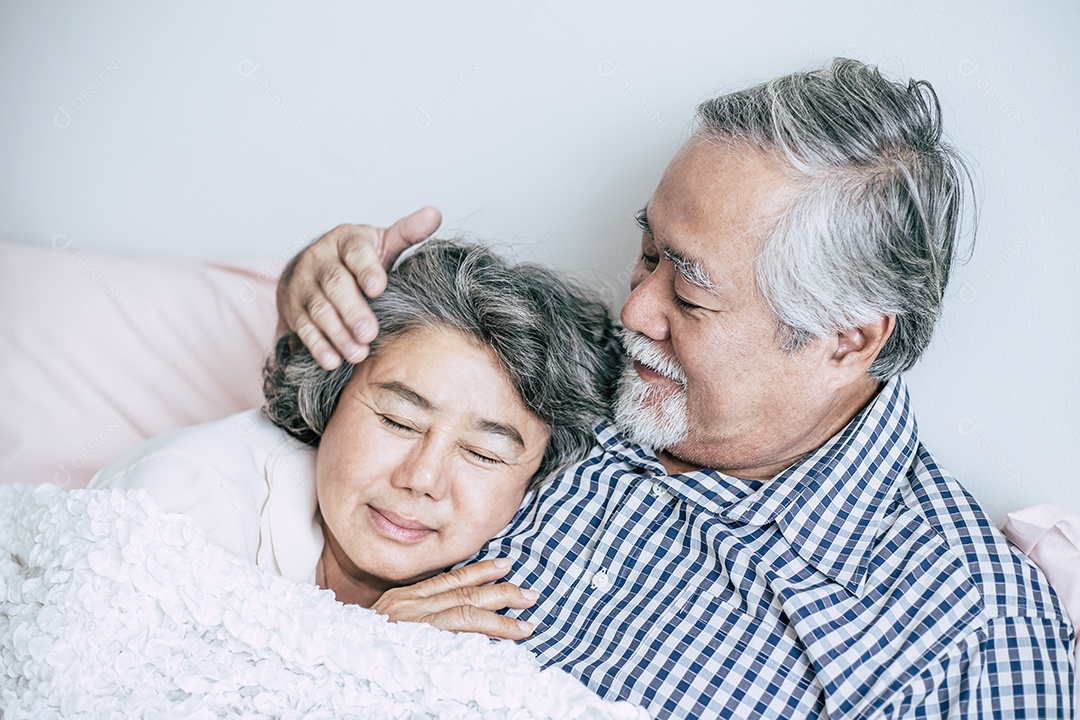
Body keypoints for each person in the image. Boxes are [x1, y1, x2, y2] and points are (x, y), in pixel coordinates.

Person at [276, 59, 1076, 718]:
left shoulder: (966, 636)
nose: (635, 309)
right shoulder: (575, 364)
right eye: (646, 249)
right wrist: (320, 290)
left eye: (689, 293)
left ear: (847, 338)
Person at [91, 239, 622, 616]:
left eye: (483, 453)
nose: (423, 478)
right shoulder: (177, 500)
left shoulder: (508, 592)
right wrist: (374, 653)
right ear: (331, 395)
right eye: (398, 420)